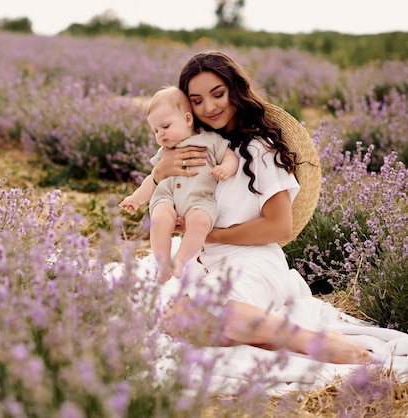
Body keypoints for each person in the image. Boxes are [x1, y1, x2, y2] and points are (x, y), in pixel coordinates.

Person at [150, 51, 371, 364]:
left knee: (207, 311)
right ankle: (269, 339)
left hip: (252, 260)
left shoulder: (260, 149)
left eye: (218, 94)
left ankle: (312, 342)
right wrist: (160, 174)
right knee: (175, 323)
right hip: (206, 263)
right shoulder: (200, 146)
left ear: (235, 91)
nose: (209, 107)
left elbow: (279, 227)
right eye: (196, 100)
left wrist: (209, 235)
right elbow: (164, 201)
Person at [119, 86, 238, 282]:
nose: (160, 135)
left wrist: (225, 168)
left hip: (198, 199)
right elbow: (153, 178)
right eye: (156, 130)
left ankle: (181, 260)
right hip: (167, 198)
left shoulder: (210, 140)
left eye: (165, 127)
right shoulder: (163, 153)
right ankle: (163, 263)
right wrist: (136, 198)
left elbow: (230, 156)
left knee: (200, 222)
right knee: (158, 222)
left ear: (188, 119)